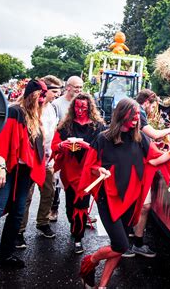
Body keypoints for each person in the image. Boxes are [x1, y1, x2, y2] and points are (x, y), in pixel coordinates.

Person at [78, 98, 170, 288]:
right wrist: (99, 170)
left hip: (130, 201)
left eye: (138, 114)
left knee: (119, 248)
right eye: (133, 114)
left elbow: (153, 160)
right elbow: (90, 166)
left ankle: (102, 286)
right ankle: (91, 260)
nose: (137, 118)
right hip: (109, 200)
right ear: (121, 115)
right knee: (120, 245)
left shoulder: (140, 138)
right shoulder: (103, 138)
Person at [0, 80, 47, 279]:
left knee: (18, 213)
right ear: (32, 95)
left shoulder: (34, 116)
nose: (44, 100)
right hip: (8, 169)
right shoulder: (14, 112)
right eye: (41, 95)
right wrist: (1, 168)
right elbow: (1, 141)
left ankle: (6, 254)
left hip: (22, 173)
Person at [51, 93, 105, 254]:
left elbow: (104, 148)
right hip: (69, 170)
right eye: (77, 106)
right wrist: (62, 145)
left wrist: (89, 147)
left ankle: (78, 238)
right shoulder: (66, 125)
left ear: (89, 107)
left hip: (87, 172)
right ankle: (74, 227)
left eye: (83, 107)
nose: (80, 110)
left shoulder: (98, 126)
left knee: (81, 205)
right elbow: (55, 144)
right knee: (70, 206)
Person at [126, 89, 170, 258]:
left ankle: (132, 240)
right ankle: (126, 243)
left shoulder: (134, 109)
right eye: (153, 105)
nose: (153, 109)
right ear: (147, 102)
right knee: (137, 204)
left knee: (141, 205)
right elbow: (153, 134)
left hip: (133, 162)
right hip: (132, 164)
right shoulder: (138, 111)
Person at [16, 75, 63, 248]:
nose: (56, 95)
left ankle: (42, 222)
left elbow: (52, 134)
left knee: (49, 192)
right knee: (26, 196)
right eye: (54, 92)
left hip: (47, 158)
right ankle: (19, 231)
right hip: (30, 159)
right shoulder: (30, 108)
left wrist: (51, 155)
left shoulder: (53, 108)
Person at [50, 76, 84, 222]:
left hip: (78, 147)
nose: (79, 90)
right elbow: (53, 126)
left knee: (77, 182)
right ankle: (54, 208)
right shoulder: (57, 104)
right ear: (68, 87)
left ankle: (80, 212)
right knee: (56, 180)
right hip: (62, 146)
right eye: (76, 87)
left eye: (81, 87)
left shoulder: (82, 101)